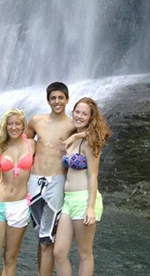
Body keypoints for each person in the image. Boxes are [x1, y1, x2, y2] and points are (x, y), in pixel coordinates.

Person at [54, 97, 111, 276]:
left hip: (84, 199)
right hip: (69, 201)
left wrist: (91, 208)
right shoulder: (75, 138)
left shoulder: (90, 141)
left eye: (84, 114)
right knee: (59, 252)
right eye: (77, 111)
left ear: (90, 117)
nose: (79, 116)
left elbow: (93, 176)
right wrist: (75, 135)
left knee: (84, 253)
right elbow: (62, 149)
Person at [26, 82, 77, 276]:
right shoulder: (36, 121)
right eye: (53, 98)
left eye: (60, 98)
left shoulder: (72, 125)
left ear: (67, 99)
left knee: (47, 238)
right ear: (48, 100)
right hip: (34, 180)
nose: (57, 102)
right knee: (42, 235)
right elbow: (27, 141)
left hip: (57, 182)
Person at [0, 108, 35, 276]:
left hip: (20, 207)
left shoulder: (32, 145)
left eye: (17, 123)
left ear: (23, 125)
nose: (14, 127)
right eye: (10, 124)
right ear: (5, 125)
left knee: (10, 259)